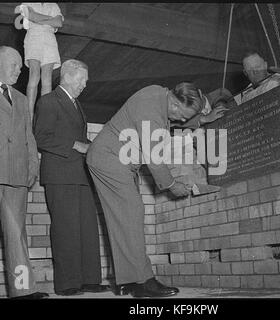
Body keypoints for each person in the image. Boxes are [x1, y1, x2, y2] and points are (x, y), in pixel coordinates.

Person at [86, 82, 204, 297]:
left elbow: (166, 129)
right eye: (182, 117)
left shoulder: (158, 95)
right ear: (176, 105)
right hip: (110, 158)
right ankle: (143, 283)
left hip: (113, 158)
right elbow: (155, 159)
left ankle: (127, 281)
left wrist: (203, 119)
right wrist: (171, 185)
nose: (181, 121)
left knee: (124, 218)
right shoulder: (152, 110)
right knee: (131, 213)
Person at [0, 46, 47, 299]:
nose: (19, 70)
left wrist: (32, 166)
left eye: (20, 66)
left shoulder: (23, 99)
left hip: (17, 175)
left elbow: (29, 137)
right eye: (14, 64)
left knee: (18, 238)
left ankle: (23, 290)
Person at [33, 59, 107, 296]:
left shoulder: (76, 104)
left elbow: (83, 142)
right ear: (66, 76)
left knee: (87, 228)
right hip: (59, 175)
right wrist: (76, 145)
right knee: (66, 230)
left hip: (80, 175)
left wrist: (98, 149)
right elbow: (41, 137)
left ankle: (90, 279)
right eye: (82, 79)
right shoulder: (48, 101)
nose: (85, 84)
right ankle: (67, 284)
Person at [14, 3, 64, 120]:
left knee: (47, 79)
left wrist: (36, 16)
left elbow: (59, 23)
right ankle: (29, 114)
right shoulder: (28, 3)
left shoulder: (53, 5)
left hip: (50, 40)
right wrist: (49, 19)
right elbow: (31, 16)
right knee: (34, 75)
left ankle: (44, 115)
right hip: (33, 38)